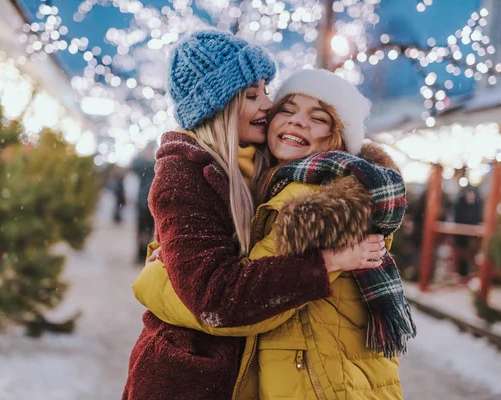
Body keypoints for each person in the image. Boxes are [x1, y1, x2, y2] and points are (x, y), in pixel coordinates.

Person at [122, 31, 385, 400]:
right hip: (187, 379)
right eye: (252, 95)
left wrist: (164, 273)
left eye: (266, 90)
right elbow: (216, 296)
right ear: (219, 106)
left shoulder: (256, 173)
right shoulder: (186, 175)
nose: (268, 105)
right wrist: (322, 264)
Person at [130, 142, 156, 263]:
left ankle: (144, 254)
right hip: (142, 203)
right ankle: (140, 254)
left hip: (151, 203)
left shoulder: (154, 165)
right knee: (141, 230)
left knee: (149, 231)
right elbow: (133, 166)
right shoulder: (143, 165)